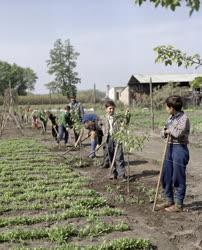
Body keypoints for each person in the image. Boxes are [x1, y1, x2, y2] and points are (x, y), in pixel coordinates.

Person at [161, 95, 190, 212]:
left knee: (178, 176)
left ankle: (178, 204)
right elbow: (162, 131)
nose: (166, 109)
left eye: (167, 107)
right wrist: (165, 131)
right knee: (166, 175)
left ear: (172, 107)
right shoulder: (170, 118)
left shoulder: (184, 118)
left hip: (179, 149)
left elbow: (177, 133)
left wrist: (168, 130)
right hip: (169, 147)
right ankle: (169, 199)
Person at [103, 100, 126, 181]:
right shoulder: (104, 118)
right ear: (106, 109)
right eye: (109, 109)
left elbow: (125, 123)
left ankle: (122, 175)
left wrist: (127, 117)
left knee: (119, 157)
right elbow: (103, 128)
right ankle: (113, 174)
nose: (111, 110)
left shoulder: (118, 117)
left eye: (112, 108)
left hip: (117, 138)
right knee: (110, 156)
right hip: (108, 139)